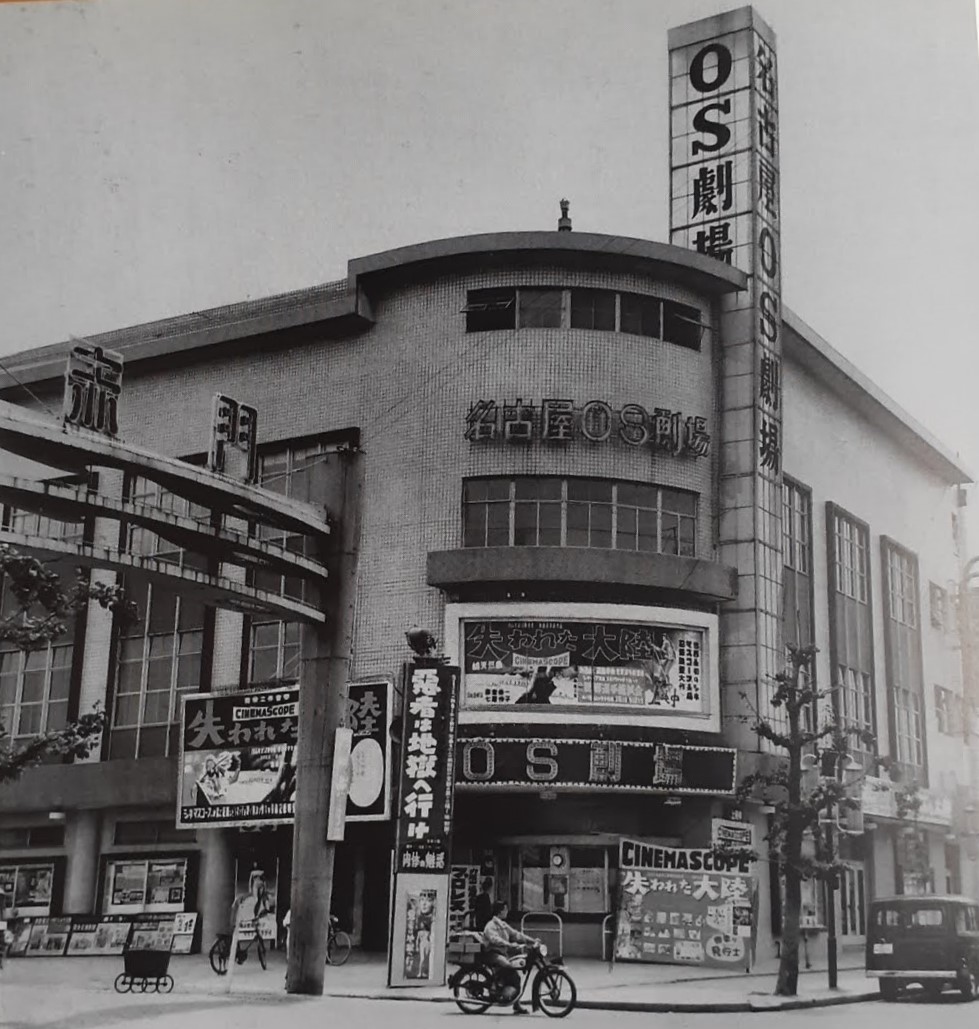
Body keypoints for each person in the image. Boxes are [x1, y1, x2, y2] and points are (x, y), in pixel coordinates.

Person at [481, 901, 538, 1014]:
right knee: (508, 966)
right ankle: (494, 988)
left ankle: (516, 1004)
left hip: (502, 954)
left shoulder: (503, 925)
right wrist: (510, 945)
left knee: (515, 974)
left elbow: (516, 935)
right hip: (492, 954)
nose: (507, 911)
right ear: (500, 911)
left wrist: (532, 940)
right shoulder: (490, 925)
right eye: (505, 909)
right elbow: (495, 939)